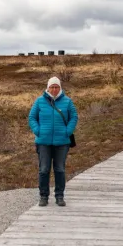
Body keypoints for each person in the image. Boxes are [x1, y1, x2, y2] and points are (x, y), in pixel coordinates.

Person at [28, 76, 78, 207]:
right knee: (44, 169)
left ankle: (59, 196)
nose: (54, 89)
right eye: (52, 87)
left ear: (60, 88)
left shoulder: (67, 101)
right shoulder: (39, 101)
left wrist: (67, 132)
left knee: (60, 169)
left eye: (57, 87)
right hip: (43, 142)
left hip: (62, 142)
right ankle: (43, 196)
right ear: (48, 88)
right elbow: (32, 117)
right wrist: (38, 131)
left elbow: (74, 117)